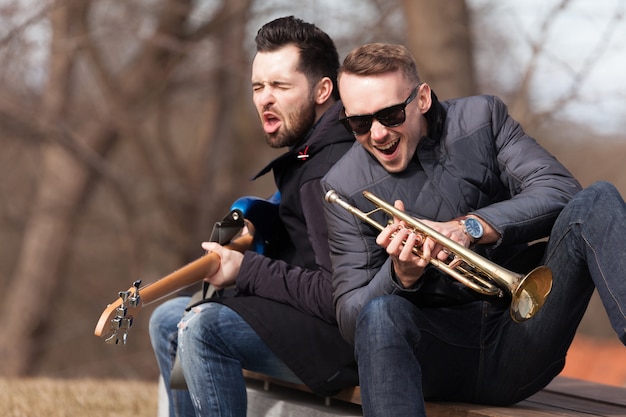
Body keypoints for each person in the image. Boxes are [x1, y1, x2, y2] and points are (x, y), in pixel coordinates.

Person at [321, 42, 626, 417]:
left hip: (522, 336)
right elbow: (352, 318)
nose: (378, 134)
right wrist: (400, 275)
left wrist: (472, 227)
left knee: (598, 200)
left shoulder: (483, 118)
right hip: (435, 359)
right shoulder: (342, 186)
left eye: (390, 114)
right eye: (359, 123)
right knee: (380, 313)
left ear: (422, 98)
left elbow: (559, 188)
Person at [149, 16, 357, 417]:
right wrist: (263, 227)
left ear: (322, 90)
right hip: (307, 319)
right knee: (167, 318)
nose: (264, 99)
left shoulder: (328, 170)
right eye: (258, 87)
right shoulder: (311, 151)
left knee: (202, 329)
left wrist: (247, 271)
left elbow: (338, 297)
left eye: (280, 86)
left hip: (341, 342)